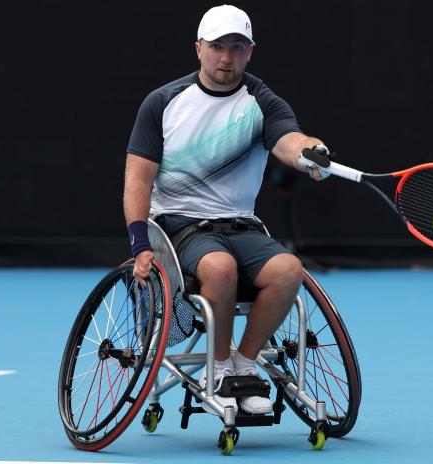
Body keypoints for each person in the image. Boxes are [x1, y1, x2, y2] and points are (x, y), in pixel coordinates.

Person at [123, 4, 332, 415]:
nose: (226, 57)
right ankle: (217, 369)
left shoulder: (262, 101)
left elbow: (289, 140)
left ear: (249, 52)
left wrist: (310, 153)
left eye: (237, 47)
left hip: (241, 226)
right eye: (217, 46)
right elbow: (138, 179)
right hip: (180, 225)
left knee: (290, 270)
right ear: (198, 48)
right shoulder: (163, 102)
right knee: (220, 268)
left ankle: (245, 363)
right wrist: (138, 241)